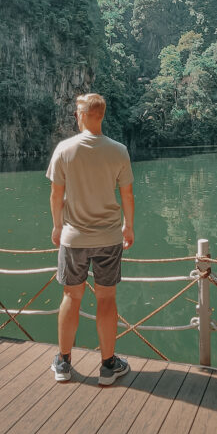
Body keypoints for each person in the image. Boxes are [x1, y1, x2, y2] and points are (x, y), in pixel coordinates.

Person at [46, 93, 135, 385]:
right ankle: (108, 366)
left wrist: (57, 227)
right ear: (102, 115)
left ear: (82, 116)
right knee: (107, 299)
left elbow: (56, 194)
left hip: (73, 239)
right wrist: (128, 227)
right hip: (109, 237)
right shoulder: (119, 151)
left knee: (71, 297)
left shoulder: (65, 149)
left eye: (76, 112)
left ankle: (63, 363)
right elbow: (127, 195)